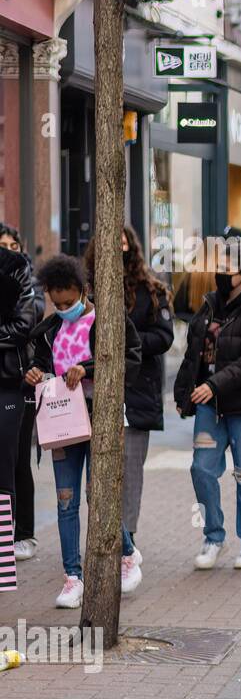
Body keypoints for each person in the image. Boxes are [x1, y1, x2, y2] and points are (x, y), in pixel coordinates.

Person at [25, 254, 142, 607]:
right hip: (62, 425)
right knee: (65, 501)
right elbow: (41, 368)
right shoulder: (48, 332)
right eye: (56, 303)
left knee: (97, 494)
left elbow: (130, 360)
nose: (63, 309)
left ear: (84, 290)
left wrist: (87, 368)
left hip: (100, 419)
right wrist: (34, 373)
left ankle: (127, 552)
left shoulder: (107, 320)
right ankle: (72, 578)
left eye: (69, 301)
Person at [174, 232, 241, 572]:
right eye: (219, 266)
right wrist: (183, 394)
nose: (220, 272)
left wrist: (213, 385)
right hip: (211, 405)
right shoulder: (208, 308)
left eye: (228, 267)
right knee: (201, 469)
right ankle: (213, 536)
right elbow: (193, 356)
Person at [85, 226, 174, 561]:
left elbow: (164, 336)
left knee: (130, 469)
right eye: (112, 244)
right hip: (93, 391)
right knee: (95, 474)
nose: (119, 250)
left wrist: (124, 344)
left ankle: (127, 539)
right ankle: (104, 536)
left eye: (124, 243)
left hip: (137, 391)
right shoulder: (89, 289)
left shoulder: (150, 288)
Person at [0, 235, 37, 589]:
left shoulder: (18, 273)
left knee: (9, 464)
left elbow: (24, 326)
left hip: (11, 382)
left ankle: (11, 544)